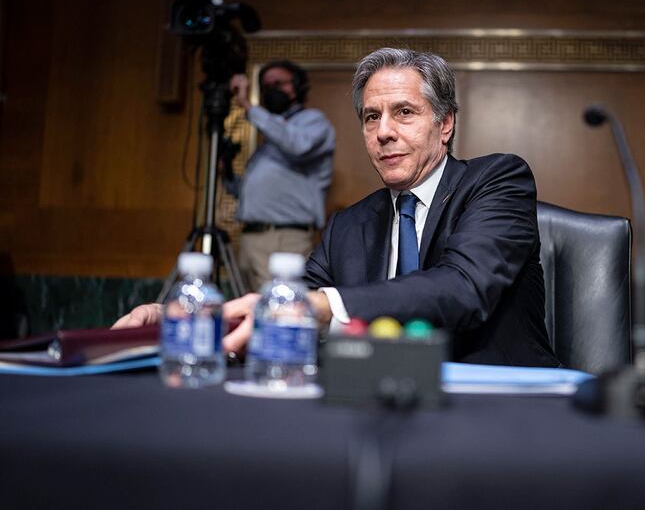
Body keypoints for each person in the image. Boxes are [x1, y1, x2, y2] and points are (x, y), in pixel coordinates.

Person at [115, 48, 559, 368]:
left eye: (404, 112)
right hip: (373, 405)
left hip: (501, 409)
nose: (383, 132)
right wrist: (187, 320)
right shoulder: (349, 224)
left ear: (444, 124)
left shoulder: (497, 180)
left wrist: (326, 304)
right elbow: (286, 309)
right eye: (371, 116)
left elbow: (464, 288)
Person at [223, 60, 335, 292]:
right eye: (266, 87)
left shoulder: (312, 122)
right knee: (250, 309)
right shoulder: (270, 138)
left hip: (285, 239)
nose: (271, 90)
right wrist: (226, 172)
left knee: (281, 309)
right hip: (251, 237)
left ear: (298, 86)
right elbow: (248, 193)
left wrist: (247, 106)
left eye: (278, 84)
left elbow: (297, 145)